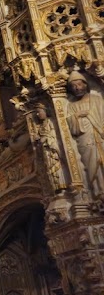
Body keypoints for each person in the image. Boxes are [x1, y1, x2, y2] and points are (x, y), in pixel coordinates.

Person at [66, 70, 104, 200]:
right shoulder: (72, 106)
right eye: (73, 86)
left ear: (85, 84)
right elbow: (73, 129)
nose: (77, 88)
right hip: (85, 139)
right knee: (93, 164)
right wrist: (76, 116)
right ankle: (99, 191)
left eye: (79, 84)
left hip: (100, 134)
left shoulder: (97, 99)